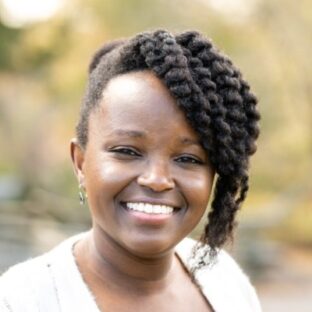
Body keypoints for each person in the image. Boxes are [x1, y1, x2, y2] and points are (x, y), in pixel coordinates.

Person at [0, 29, 261, 311]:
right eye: (127, 151)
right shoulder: (22, 300)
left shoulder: (225, 281)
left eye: (188, 158)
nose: (157, 180)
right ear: (80, 163)